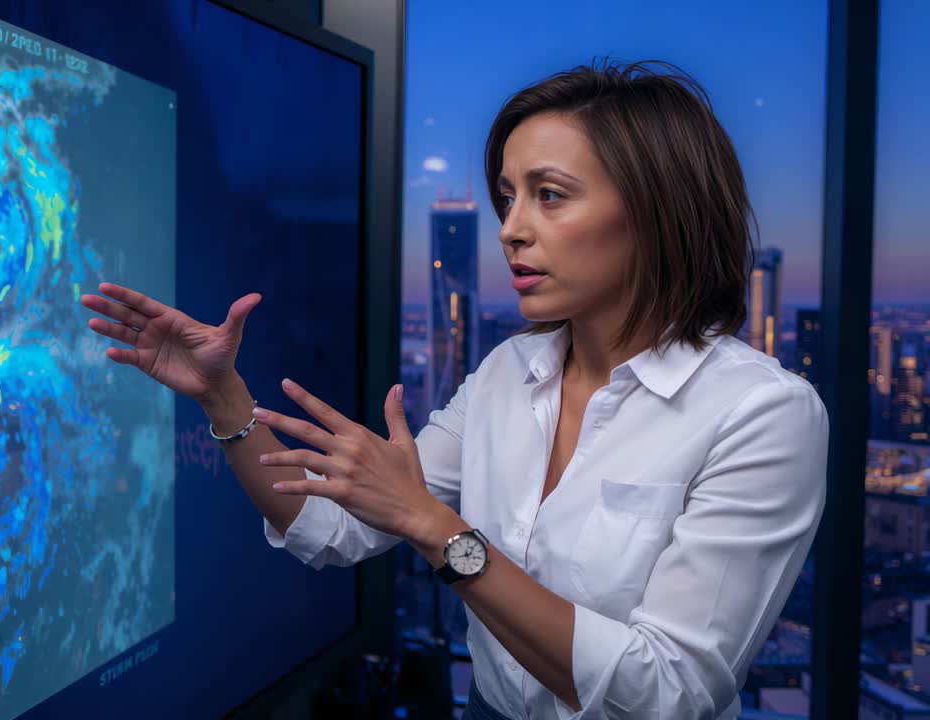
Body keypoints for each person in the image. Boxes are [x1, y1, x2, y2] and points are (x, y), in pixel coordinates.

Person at [79, 59, 829, 720]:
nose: (510, 228)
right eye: (508, 196)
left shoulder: (761, 413)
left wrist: (438, 529)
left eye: (551, 195)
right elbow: (334, 529)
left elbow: (671, 691)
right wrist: (223, 398)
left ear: (658, 213)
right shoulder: (508, 372)